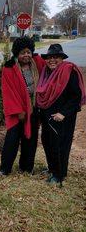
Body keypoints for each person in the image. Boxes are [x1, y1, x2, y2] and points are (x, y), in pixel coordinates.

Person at [36, 43, 86, 184]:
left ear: (62, 58)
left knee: (60, 145)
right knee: (47, 142)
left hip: (62, 117)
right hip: (47, 115)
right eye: (49, 57)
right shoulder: (46, 72)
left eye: (56, 57)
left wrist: (63, 113)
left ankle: (59, 175)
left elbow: (75, 96)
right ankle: (52, 169)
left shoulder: (69, 70)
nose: (52, 60)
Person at [0, 36, 45, 176]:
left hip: (34, 107)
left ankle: (26, 167)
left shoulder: (37, 63)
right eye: (23, 52)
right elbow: (8, 91)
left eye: (29, 52)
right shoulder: (9, 68)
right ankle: (4, 169)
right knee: (12, 139)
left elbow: (51, 65)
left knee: (31, 139)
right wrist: (19, 111)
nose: (26, 55)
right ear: (17, 53)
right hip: (17, 110)